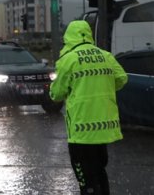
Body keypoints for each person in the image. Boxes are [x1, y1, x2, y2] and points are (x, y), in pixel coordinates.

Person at [49, 20, 128, 195]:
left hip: (81, 130)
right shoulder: (106, 56)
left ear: (68, 37)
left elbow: (56, 94)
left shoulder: (68, 60)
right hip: (103, 128)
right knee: (100, 172)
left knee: (85, 178)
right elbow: (122, 78)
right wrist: (102, 87)